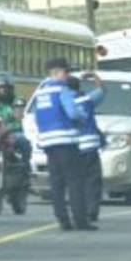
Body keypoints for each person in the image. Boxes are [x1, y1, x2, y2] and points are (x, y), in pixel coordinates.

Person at [32, 57, 92, 230]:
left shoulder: (40, 93)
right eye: (66, 72)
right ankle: (80, 220)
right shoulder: (62, 90)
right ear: (57, 73)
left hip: (49, 143)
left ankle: (63, 220)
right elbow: (73, 113)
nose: (68, 75)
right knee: (75, 181)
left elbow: (37, 117)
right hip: (67, 141)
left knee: (56, 183)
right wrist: (82, 116)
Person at [73, 72, 106, 223]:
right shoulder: (87, 100)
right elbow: (101, 89)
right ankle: (92, 211)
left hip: (73, 147)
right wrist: (93, 76)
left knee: (77, 181)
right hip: (91, 146)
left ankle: (79, 211)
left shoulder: (62, 102)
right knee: (93, 181)